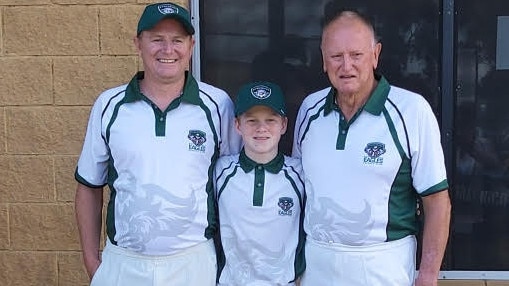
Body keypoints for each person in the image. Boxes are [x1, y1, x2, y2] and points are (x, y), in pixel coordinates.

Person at [74, 2, 241, 286]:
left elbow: (235, 188)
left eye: (177, 40)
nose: (168, 50)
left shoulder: (217, 105)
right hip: (124, 263)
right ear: (138, 43)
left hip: (194, 263)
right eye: (157, 40)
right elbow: (89, 186)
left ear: (191, 45)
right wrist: (92, 261)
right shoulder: (109, 105)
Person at [292, 5, 451, 286]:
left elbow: (436, 201)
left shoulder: (412, 110)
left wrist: (428, 275)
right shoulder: (309, 110)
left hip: (382, 265)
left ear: (375, 55)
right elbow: (299, 190)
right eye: (336, 56)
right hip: (318, 264)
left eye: (356, 55)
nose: (346, 65)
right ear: (323, 60)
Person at [214, 81, 305, 285]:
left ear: (283, 125)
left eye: (271, 120)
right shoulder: (220, 171)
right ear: (237, 125)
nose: (261, 128)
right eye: (252, 120)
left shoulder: (300, 174)